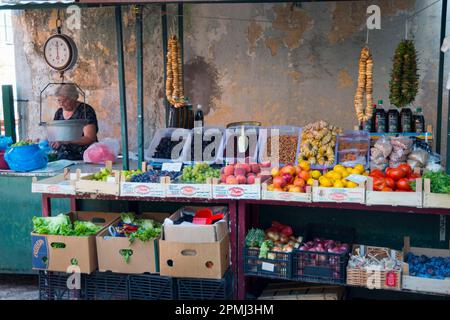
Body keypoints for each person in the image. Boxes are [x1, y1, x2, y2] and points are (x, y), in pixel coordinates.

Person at [50, 84, 99, 160]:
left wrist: (66, 140)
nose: (61, 104)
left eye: (65, 100)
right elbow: (54, 134)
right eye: (59, 100)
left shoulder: (85, 111)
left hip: (83, 157)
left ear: (74, 98)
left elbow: (90, 137)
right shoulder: (59, 113)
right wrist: (49, 139)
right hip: (63, 157)